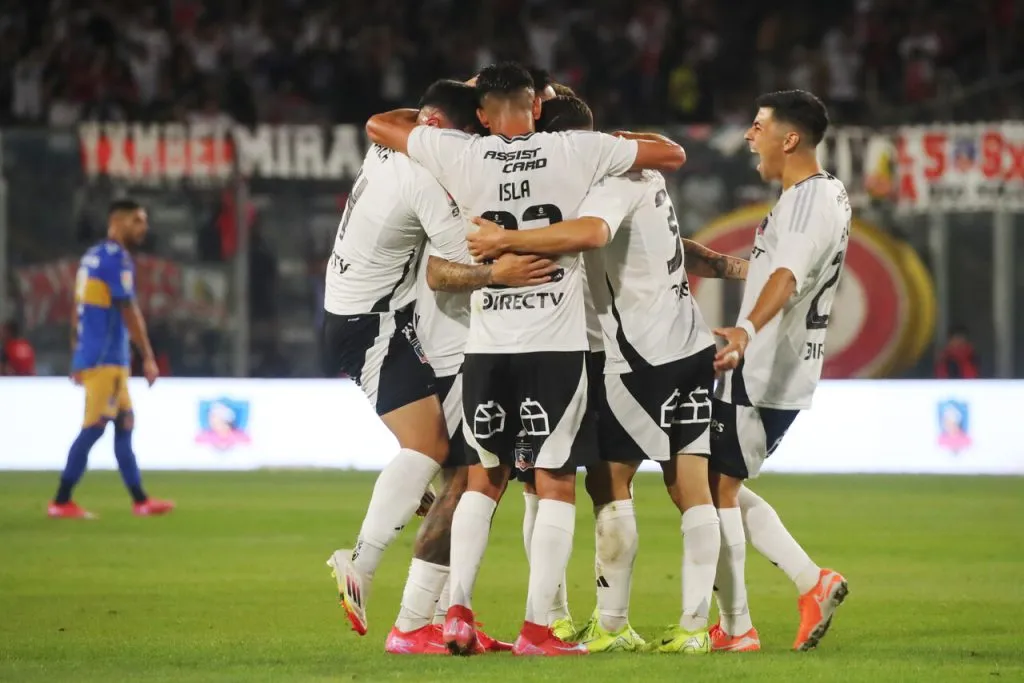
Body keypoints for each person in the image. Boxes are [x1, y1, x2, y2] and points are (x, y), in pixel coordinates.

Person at [365, 60, 686, 656]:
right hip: (556, 346)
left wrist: (459, 111)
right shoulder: (577, 150)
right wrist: (610, 143)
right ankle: (539, 629)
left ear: (483, 116)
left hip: (486, 347)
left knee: (482, 479)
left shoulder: (461, 154)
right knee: (555, 480)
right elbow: (670, 155)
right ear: (536, 105)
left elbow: (380, 124)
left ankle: (455, 611)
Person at [467, 94, 749, 654]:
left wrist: (505, 239)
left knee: (607, 485)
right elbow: (656, 241)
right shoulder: (644, 175)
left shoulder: (602, 182)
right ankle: (698, 629)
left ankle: (613, 625)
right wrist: (716, 263)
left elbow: (594, 233)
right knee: (691, 488)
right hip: (687, 346)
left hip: (632, 359)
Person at [321, 79, 555, 644]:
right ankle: (362, 565)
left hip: (371, 314)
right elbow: (459, 258)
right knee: (429, 448)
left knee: (455, 461)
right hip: (371, 324)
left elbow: (394, 115)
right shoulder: (426, 178)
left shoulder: (390, 144)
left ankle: (430, 620)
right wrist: (504, 268)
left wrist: (472, 87)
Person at [709, 90, 850, 652]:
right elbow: (782, 266)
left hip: (764, 368)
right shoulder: (823, 193)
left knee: (712, 490)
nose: (749, 134)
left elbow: (788, 277)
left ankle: (738, 627)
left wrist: (745, 331)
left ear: (789, 139)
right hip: (774, 367)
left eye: (758, 125)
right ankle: (809, 583)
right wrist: (710, 260)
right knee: (712, 483)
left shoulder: (805, 202)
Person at [48, 199, 174, 519]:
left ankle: (140, 500)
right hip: (106, 359)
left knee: (124, 424)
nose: (143, 228)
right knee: (94, 426)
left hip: (100, 356)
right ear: (117, 222)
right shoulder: (116, 260)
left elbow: (79, 311)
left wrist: (77, 354)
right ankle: (61, 501)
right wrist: (147, 356)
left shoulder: (92, 257)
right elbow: (129, 310)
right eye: (138, 221)